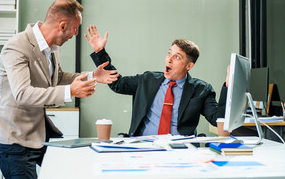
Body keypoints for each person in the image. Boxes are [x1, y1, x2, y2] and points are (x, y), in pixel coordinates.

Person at [0, 0, 118, 179]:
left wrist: (92, 76)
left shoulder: (53, 48)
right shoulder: (17, 46)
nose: (76, 33)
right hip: (14, 138)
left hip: (38, 133)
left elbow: (57, 79)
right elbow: (22, 94)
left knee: (70, 170)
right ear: (63, 25)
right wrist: (70, 91)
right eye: (76, 27)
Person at [85, 24, 228, 136]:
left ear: (189, 66)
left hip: (181, 151)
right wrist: (100, 53)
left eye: (177, 57)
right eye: (169, 53)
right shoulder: (148, 79)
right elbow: (118, 83)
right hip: (144, 147)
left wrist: (229, 87)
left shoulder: (201, 90)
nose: (169, 59)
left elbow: (218, 119)